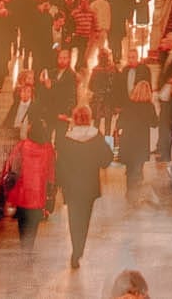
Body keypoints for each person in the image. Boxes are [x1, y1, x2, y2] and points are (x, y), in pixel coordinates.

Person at [55, 102, 114, 272]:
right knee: (85, 219)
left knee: (74, 219)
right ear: (89, 118)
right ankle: (79, 250)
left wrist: (60, 182)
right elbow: (106, 160)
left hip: (72, 186)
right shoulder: (96, 137)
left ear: (74, 118)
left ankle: (75, 249)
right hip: (89, 185)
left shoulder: (66, 139)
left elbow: (60, 165)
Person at [0, 124, 55, 246]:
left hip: (22, 193)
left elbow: (13, 167)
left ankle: (24, 245)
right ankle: (29, 246)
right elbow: (51, 173)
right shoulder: (48, 150)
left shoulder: (21, 146)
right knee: (33, 223)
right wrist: (50, 193)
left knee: (22, 222)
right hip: (39, 194)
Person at [120, 75, 159, 208]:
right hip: (141, 142)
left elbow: (120, 122)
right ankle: (133, 195)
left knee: (130, 168)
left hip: (127, 140)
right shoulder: (149, 106)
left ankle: (129, 193)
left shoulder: (128, 104)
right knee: (137, 169)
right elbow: (154, 123)